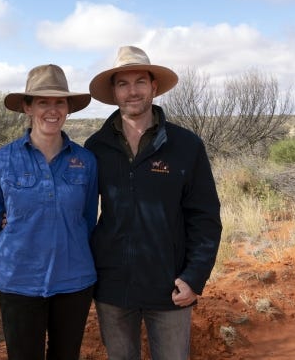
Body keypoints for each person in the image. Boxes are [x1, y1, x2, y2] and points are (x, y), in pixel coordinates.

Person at [84, 46, 222, 360]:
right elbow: (78, 214)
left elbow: (205, 218)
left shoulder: (186, 146)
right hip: (112, 288)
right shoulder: (96, 147)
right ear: (114, 91)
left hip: (170, 287)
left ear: (154, 87)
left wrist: (194, 278)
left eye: (140, 82)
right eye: (123, 83)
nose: (132, 91)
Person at [0, 64, 99, 360]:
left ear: (68, 107)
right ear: (27, 107)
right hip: (18, 285)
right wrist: (10, 271)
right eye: (43, 101)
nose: (52, 110)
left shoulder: (85, 161)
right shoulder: (0, 161)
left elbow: (87, 221)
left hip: (74, 282)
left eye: (59, 102)